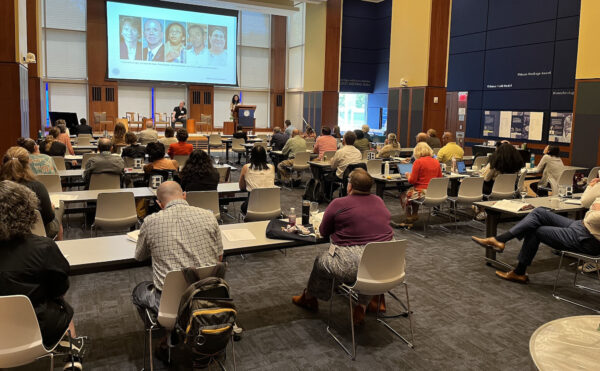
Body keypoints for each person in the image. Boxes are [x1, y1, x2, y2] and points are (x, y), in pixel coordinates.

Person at [132, 181, 223, 361]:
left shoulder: (150, 221)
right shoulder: (208, 215)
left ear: (159, 204)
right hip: (210, 297)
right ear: (184, 195)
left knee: (139, 290)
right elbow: (219, 258)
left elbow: (139, 256)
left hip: (171, 306)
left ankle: (169, 333)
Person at [0, 180, 85, 371]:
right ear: (28, 211)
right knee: (62, 303)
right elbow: (60, 288)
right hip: (40, 330)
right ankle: (73, 359)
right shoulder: (44, 247)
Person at [292, 169, 394, 324]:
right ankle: (365, 303)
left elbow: (323, 231)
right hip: (388, 263)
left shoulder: (339, 203)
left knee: (322, 261)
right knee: (369, 266)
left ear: (350, 186)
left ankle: (309, 297)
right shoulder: (379, 201)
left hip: (351, 264)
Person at [471, 177, 600, 283]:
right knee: (539, 212)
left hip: (589, 238)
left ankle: (518, 271)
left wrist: (593, 209)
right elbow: (586, 202)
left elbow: (594, 216)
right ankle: (500, 240)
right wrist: (591, 186)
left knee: (535, 230)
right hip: (581, 225)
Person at [1, 147, 63, 240]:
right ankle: (56, 249)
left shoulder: (2, 186)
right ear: (28, 163)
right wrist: (52, 210)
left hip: (3, 234)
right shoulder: (38, 187)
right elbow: (48, 217)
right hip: (35, 234)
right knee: (58, 211)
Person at [392, 142, 442, 228]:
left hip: (422, 193)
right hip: (433, 192)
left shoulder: (418, 162)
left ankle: (409, 217)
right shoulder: (436, 162)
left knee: (404, 195)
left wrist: (408, 175)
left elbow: (412, 181)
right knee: (413, 192)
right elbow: (440, 179)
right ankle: (414, 214)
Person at [239, 146, 275, 214]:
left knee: (243, 206)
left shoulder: (246, 167)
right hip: (271, 206)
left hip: (251, 207)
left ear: (251, 156)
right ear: (265, 156)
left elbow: (242, 187)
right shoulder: (272, 167)